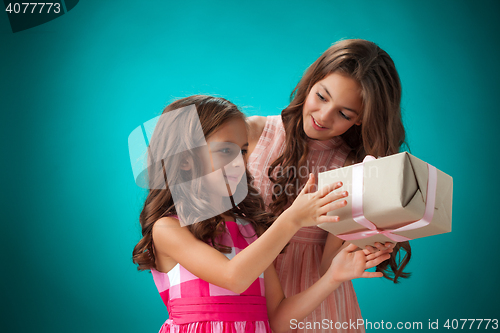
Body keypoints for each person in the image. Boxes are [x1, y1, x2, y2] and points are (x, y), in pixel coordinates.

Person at [132, 95, 392, 333]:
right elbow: (233, 277)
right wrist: (293, 218)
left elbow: (279, 321)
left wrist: (333, 277)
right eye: (225, 150)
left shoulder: (250, 229)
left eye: (243, 151)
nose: (238, 162)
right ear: (185, 160)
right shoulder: (169, 229)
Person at [247, 39, 411, 332]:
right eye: (322, 96)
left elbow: (328, 268)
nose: (324, 116)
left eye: (344, 114)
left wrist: (362, 242)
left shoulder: (354, 167)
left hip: (318, 305)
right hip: (246, 291)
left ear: (361, 119)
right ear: (311, 82)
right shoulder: (252, 135)